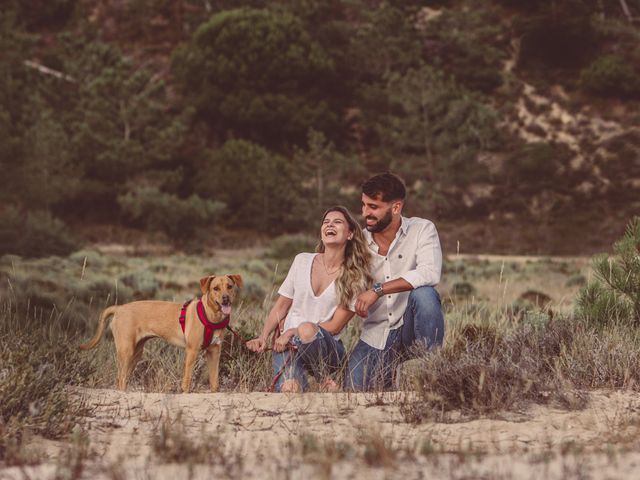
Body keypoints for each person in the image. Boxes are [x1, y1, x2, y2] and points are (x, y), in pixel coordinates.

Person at [247, 206, 373, 393]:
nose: (330, 224)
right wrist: (263, 337)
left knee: (306, 329)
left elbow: (335, 326)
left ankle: (324, 377)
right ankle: (309, 385)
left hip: (325, 348)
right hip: (288, 346)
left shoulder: (355, 276)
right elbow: (281, 306)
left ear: (350, 234)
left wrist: (291, 331)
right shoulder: (302, 260)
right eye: (326, 222)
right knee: (290, 389)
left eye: (337, 222)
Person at [346, 172, 444, 391]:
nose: (365, 213)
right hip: (377, 334)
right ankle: (392, 376)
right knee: (353, 388)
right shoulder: (359, 243)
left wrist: (378, 290)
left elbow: (430, 272)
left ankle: (430, 368)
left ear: (396, 208)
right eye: (363, 205)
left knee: (425, 294)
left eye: (373, 207)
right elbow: (351, 291)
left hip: (411, 328)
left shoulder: (422, 229)